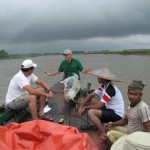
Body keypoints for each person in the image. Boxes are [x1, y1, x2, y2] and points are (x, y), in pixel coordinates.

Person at [78, 68, 125, 142]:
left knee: (91, 112)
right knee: (92, 100)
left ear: (104, 79)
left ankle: (103, 133)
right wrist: (81, 106)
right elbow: (90, 95)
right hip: (109, 108)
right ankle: (95, 123)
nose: (97, 78)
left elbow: (99, 106)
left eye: (99, 77)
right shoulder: (103, 86)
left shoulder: (110, 89)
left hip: (116, 114)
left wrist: (86, 107)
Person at [104, 80, 150, 145]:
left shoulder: (143, 108)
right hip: (129, 132)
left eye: (135, 94)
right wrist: (112, 123)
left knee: (110, 134)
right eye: (130, 93)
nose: (132, 96)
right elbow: (125, 121)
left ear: (140, 95)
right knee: (110, 127)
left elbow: (149, 130)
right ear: (127, 93)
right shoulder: (130, 104)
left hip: (135, 139)